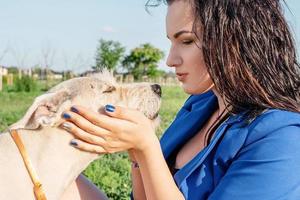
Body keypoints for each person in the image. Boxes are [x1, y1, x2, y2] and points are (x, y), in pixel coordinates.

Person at [61, 0, 300, 199]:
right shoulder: (199, 106)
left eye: (186, 41)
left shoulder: (284, 139)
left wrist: (147, 147)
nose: (170, 59)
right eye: (170, 41)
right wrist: (136, 152)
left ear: (235, 40)